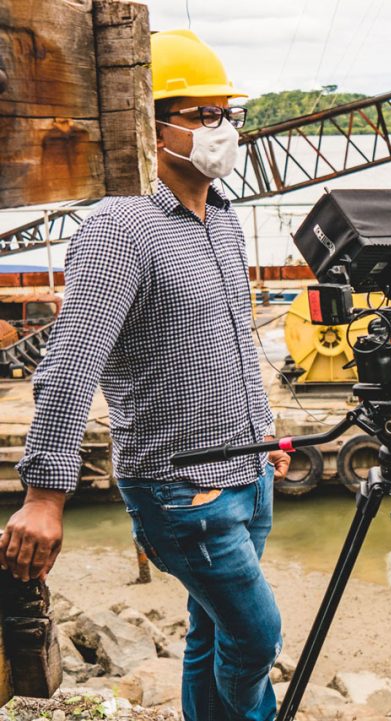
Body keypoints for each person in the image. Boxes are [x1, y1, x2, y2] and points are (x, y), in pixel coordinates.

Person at [0, 29, 290, 721]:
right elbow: (70, 363)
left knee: (211, 630)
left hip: (249, 473)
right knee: (257, 634)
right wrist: (45, 495)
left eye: (230, 114)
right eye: (204, 114)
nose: (225, 129)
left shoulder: (221, 219)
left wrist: (265, 443)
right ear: (151, 124)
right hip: (183, 489)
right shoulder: (118, 228)